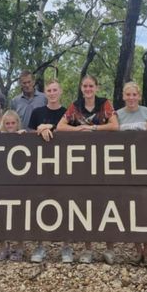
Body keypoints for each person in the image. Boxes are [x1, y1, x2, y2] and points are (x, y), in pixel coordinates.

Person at [57, 74, 119, 264]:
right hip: (82, 161)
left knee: (106, 201)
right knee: (86, 203)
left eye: (91, 86)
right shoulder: (75, 106)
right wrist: (77, 129)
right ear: (81, 88)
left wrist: (94, 129)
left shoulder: (104, 104)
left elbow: (115, 125)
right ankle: (88, 249)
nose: (88, 89)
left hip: (104, 158)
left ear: (96, 87)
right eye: (85, 86)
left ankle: (110, 249)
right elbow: (60, 126)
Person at [26, 79, 66, 263]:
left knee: (66, 203)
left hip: (64, 166)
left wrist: (49, 127)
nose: (52, 93)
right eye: (49, 90)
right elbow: (29, 133)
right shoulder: (37, 112)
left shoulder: (67, 112)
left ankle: (66, 247)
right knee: (39, 203)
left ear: (60, 92)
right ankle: (40, 246)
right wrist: (39, 129)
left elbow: (71, 131)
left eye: (55, 90)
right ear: (45, 93)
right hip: (40, 166)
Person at [116, 81, 147, 266]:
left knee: (146, 206)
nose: (131, 98)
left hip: (146, 164)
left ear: (139, 96)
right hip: (125, 166)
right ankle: (137, 250)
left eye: (134, 95)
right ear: (123, 96)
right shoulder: (117, 115)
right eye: (128, 95)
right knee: (131, 206)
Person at [0, 110, 28, 261]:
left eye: (13, 123)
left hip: (19, 182)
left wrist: (22, 136)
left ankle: (19, 247)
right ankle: (3, 247)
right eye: (7, 123)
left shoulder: (23, 135)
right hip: (2, 181)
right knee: (0, 214)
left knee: (19, 214)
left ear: (17, 123)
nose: (10, 126)